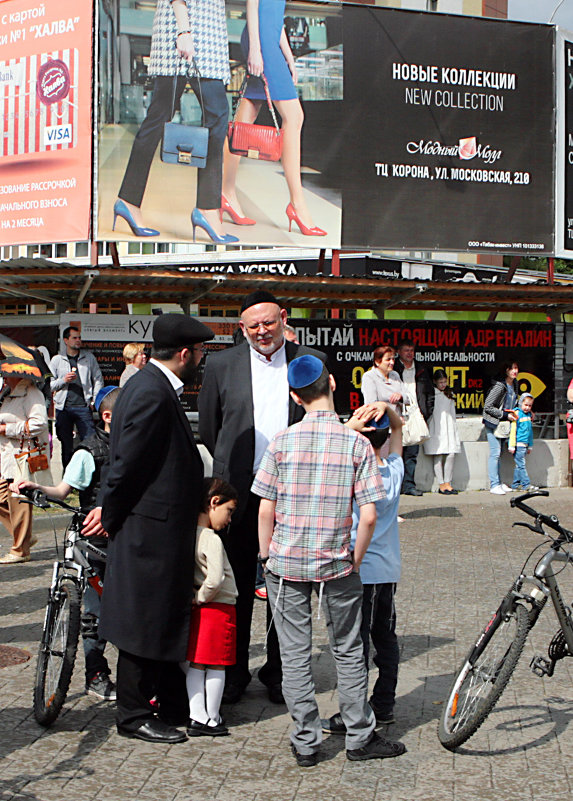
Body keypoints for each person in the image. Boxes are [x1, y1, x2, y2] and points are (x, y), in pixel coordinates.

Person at [253, 355, 406, 767]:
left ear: (294, 396)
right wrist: (355, 561)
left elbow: (265, 509)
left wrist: (267, 555)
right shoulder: (356, 443)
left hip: (286, 563)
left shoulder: (281, 442)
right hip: (338, 562)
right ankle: (359, 736)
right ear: (333, 385)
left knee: (295, 654)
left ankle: (305, 741)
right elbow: (369, 515)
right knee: (349, 649)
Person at [198, 290, 326, 705]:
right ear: (241, 328)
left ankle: (278, 672)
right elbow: (210, 429)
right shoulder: (220, 364)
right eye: (252, 325)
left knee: (284, 586)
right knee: (232, 582)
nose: (261, 331)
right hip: (237, 491)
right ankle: (232, 673)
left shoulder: (310, 360)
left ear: (284, 318)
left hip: (292, 492)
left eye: (268, 322)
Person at [98, 313, 214, 744]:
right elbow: (127, 463)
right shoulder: (152, 391)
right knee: (141, 620)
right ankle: (131, 714)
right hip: (149, 529)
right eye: (200, 352)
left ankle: (166, 701)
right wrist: (109, 515)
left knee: (155, 616)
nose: (201, 359)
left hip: (155, 526)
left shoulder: (150, 385)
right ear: (185, 354)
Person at [14, 386, 120, 700]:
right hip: (93, 539)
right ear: (107, 416)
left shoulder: (138, 445)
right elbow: (63, 490)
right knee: (91, 613)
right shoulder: (88, 451)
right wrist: (38, 489)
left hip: (126, 537)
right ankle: (96, 674)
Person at [113, 0, 238, 245]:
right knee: (215, 115)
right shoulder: (185, 31)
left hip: (203, 33)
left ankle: (128, 200)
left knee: (159, 117)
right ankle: (207, 209)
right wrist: (183, 30)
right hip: (188, 31)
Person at [322, 403, 404, 736]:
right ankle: (383, 704)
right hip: (387, 571)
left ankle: (355, 712)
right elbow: (398, 430)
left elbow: (332, 444)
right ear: (384, 439)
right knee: (385, 639)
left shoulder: (351, 471)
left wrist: (350, 425)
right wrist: (387, 408)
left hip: (356, 568)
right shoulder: (394, 469)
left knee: (355, 645)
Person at [221, 0, 326, 237]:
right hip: (262, 44)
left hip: (268, 42)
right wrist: (256, 50)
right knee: (294, 116)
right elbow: (253, 4)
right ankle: (297, 205)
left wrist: (288, 56)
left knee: (245, 119)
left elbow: (275, 16)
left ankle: (226, 192)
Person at [182, 477, 238, 738]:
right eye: (229, 510)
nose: (229, 518)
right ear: (214, 503)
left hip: (200, 608)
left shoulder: (188, 533)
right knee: (217, 664)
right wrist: (203, 596)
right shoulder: (212, 538)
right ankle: (212, 717)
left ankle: (197, 714)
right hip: (218, 607)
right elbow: (216, 578)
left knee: (196, 663)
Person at [0, 361, 51, 564]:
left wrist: (7, 429)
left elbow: (39, 424)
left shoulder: (31, 393)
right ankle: (25, 537)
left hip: (22, 456)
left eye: (6, 372)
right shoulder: (7, 392)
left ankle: (20, 549)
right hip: (7, 456)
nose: (3, 375)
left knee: (18, 500)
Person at [50, 327, 104, 469]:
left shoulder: (88, 357)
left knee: (90, 442)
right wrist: (64, 380)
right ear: (66, 340)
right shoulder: (57, 360)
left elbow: (98, 378)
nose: (78, 340)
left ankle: (91, 477)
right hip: (64, 408)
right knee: (66, 445)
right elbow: (49, 385)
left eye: (79, 337)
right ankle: (68, 480)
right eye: (74, 338)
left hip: (83, 407)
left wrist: (94, 400)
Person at [393, 339, 434, 496]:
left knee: (412, 454)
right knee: (396, 454)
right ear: (399, 352)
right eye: (406, 350)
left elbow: (430, 394)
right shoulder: (394, 369)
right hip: (397, 416)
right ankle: (396, 486)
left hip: (416, 416)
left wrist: (426, 413)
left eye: (412, 350)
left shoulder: (421, 369)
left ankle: (409, 485)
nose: (410, 353)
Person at [482, 360, 519, 495]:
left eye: (516, 368)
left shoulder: (515, 384)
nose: (515, 371)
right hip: (493, 423)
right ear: (506, 370)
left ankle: (499, 482)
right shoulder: (499, 386)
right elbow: (487, 406)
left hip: (505, 424)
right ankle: (494, 484)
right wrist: (504, 415)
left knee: (500, 454)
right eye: (512, 368)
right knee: (495, 452)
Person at [423, 369, 461, 495]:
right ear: (435, 382)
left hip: (449, 426)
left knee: (451, 454)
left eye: (445, 382)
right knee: (438, 455)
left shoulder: (449, 394)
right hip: (436, 426)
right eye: (440, 382)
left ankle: (448, 482)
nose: (443, 384)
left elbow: (452, 413)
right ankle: (441, 484)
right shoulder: (433, 393)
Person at [360, 345, 409, 415]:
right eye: (388, 359)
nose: (392, 362)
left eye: (393, 359)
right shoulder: (369, 377)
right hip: (381, 421)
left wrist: (400, 396)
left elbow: (408, 397)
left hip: (398, 421)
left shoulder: (395, 375)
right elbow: (371, 404)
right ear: (377, 361)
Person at [509, 392, 538, 492]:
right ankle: (526, 484)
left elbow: (530, 432)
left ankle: (515, 485)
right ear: (520, 403)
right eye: (525, 405)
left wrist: (530, 446)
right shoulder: (516, 414)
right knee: (521, 465)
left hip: (525, 445)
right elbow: (513, 431)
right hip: (518, 444)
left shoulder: (529, 416)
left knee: (518, 465)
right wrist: (512, 445)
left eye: (530, 406)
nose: (527, 408)